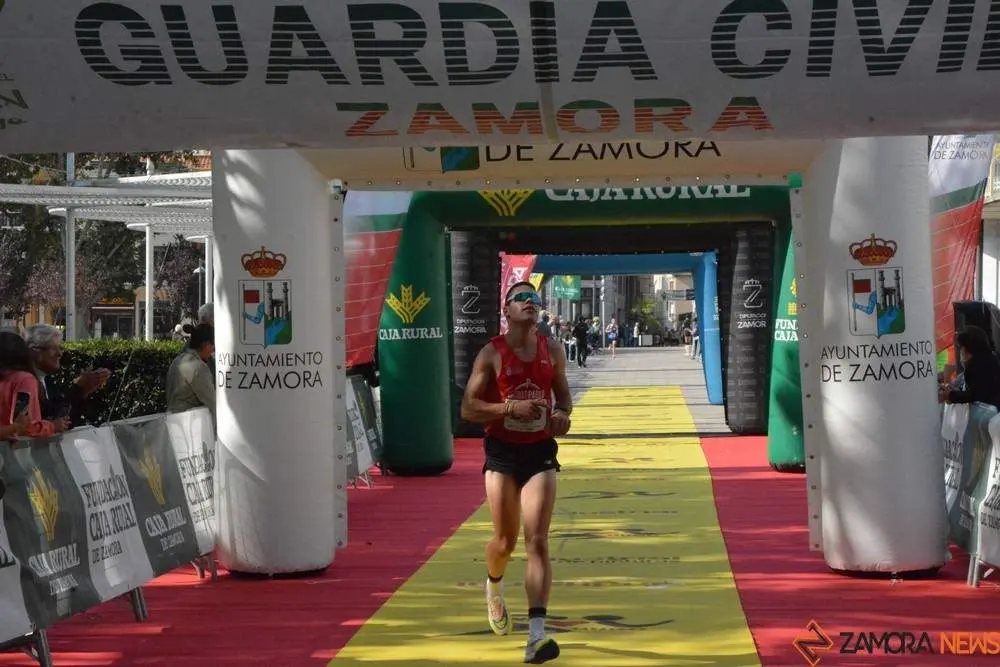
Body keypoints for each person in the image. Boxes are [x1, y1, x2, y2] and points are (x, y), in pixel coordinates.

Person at [461, 281, 572, 664]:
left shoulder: (552, 350)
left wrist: (561, 415)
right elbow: (469, 409)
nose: (530, 301)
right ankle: (493, 586)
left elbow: (564, 397)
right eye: (521, 297)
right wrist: (508, 409)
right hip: (503, 455)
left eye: (534, 298)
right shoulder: (493, 353)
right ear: (506, 310)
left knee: (537, 540)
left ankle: (536, 637)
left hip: (540, 452)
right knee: (505, 542)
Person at [25, 324, 110, 423]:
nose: (59, 354)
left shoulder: (47, 380)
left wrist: (83, 390)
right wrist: (79, 389)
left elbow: (65, 420)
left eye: (60, 348)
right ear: (34, 350)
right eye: (53, 348)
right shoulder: (25, 383)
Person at [0, 331, 70, 440]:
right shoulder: (25, 379)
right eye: (52, 348)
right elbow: (26, 426)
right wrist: (52, 426)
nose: (59, 353)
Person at [940, 326, 1000, 409]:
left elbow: (975, 394)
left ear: (965, 349)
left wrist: (950, 395)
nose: (960, 352)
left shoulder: (975, 366)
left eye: (960, 348)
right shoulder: (993, 359)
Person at [166, 324, 217, 423]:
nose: (213, 351)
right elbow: (212, 403)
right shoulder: (199, 367)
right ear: (205, 344)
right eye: (213, 346)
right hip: (192, 427)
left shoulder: (177, 360)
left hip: (173, 422)